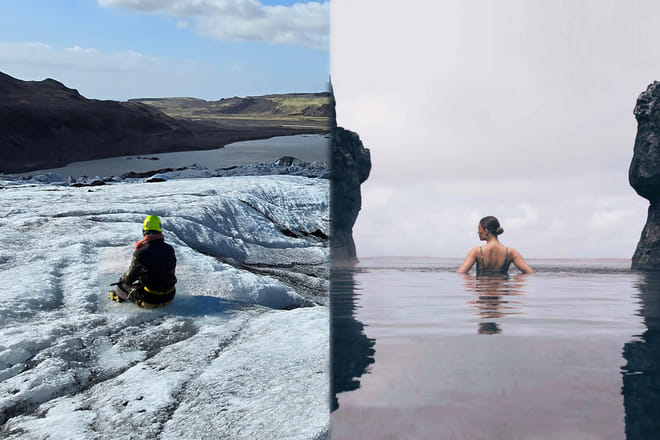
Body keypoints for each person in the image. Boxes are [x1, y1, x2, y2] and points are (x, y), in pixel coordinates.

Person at [110, 215, 177, 308]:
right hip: (170, 296)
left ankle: (122, 297)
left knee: (120, 288)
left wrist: (121, 282)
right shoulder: (169, 249)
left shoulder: (140, 253)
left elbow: (129, 278)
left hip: (150, 300)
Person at [457, 216, 535, 274]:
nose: (478, 232)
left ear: (486, 230)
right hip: (501, 292)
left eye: (479, 228)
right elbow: (530, 272)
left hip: (483, 292)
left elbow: (461, 273)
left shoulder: (476, 251)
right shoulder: (511, 252)